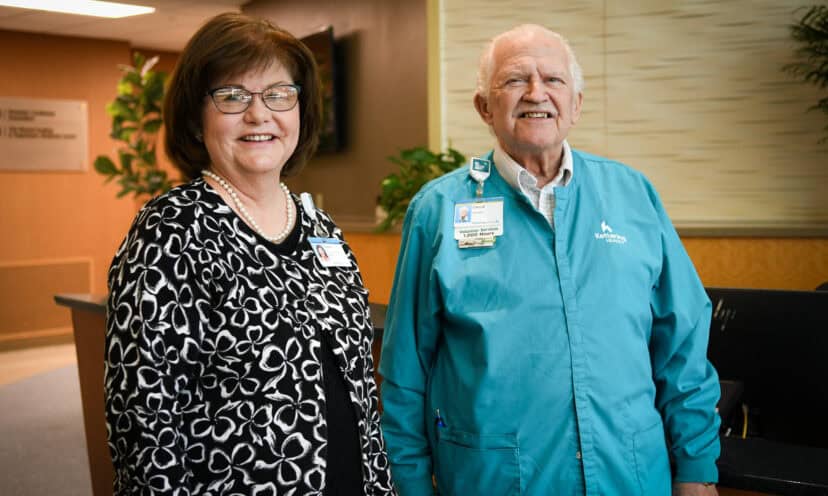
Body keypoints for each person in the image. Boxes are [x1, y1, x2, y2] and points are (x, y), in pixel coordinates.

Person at [379, 24, 720, 496]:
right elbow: (405, 367)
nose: (536, 92)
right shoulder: (436, 210)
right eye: (515, 80)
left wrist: (696, 465)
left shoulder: (633, 195)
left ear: (576, 104)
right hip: (492, 480)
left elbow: (682, 342)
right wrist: (411, 484)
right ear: (484, 106)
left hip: (631, 476)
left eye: (554, 80)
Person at [104, 13, 395, 495]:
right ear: (197, 118)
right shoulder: (171, 229)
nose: (259, 115)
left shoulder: (320, 226)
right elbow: (143, 420)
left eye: (278, 94)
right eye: (233, 96)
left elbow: (358, 388)